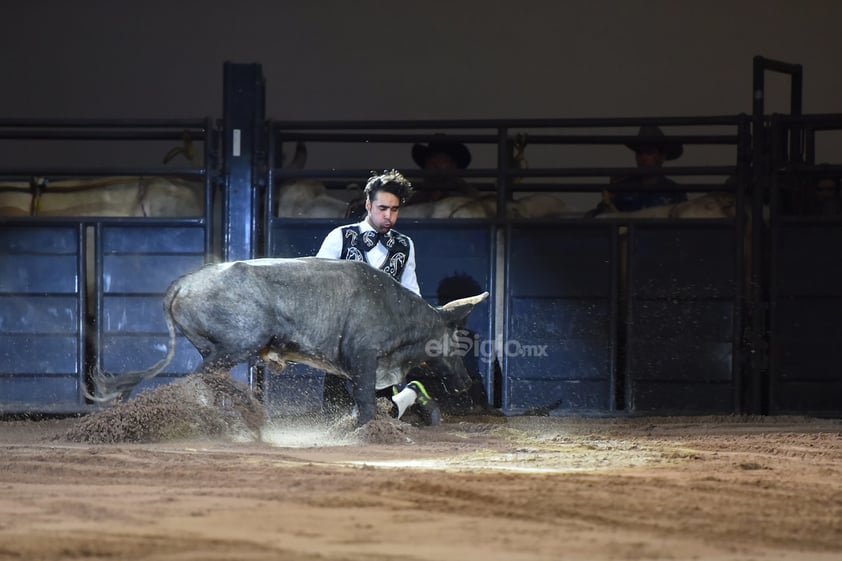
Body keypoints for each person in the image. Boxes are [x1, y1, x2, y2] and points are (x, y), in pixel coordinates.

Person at [315, 169, 437, 423]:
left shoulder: (405, 244)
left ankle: (406, 396)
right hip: (340, 338)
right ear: (368, 205)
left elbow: (411, 292)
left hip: (383, 341)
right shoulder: (340, 237)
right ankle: (409, 395)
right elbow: (317, 286)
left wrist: (421, 338)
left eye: (394, 209)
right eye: (382, 208)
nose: (388, 215)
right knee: (333, 410)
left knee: (377, 413)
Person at [588, 125, 687, 215]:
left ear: (662, 157)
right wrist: (608, 202)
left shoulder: (675, 192)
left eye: (649, 152)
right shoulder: (621, 188)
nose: (643, 158)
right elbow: (599, 216)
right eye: (639, 152)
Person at [409, 134, 478, 203]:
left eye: (442, 160)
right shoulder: (416, 192)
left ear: (453, 165)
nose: (434, 163)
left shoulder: (466, 193)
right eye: (430, 159)